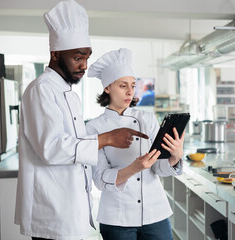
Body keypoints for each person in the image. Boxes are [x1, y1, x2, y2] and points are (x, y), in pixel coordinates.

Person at [14, 1, 149, 239]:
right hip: (51, 210)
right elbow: (52, 148)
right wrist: (107, 138)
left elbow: (75, 147)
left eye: (87, 57)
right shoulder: (41, 89)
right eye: (78, 57)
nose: (84, 65)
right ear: (56, 54)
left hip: (69, 208)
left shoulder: (68, 93)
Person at [86, 48, 184, 240]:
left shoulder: (147, 119)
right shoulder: (94, 128)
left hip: (155, 213)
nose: (130, 91)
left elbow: (158, 168)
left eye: (133, 85)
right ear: (107, 88)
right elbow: (99, 180)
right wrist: (134, 168)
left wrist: (174, 158)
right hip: (117, 218)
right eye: (123, 86)